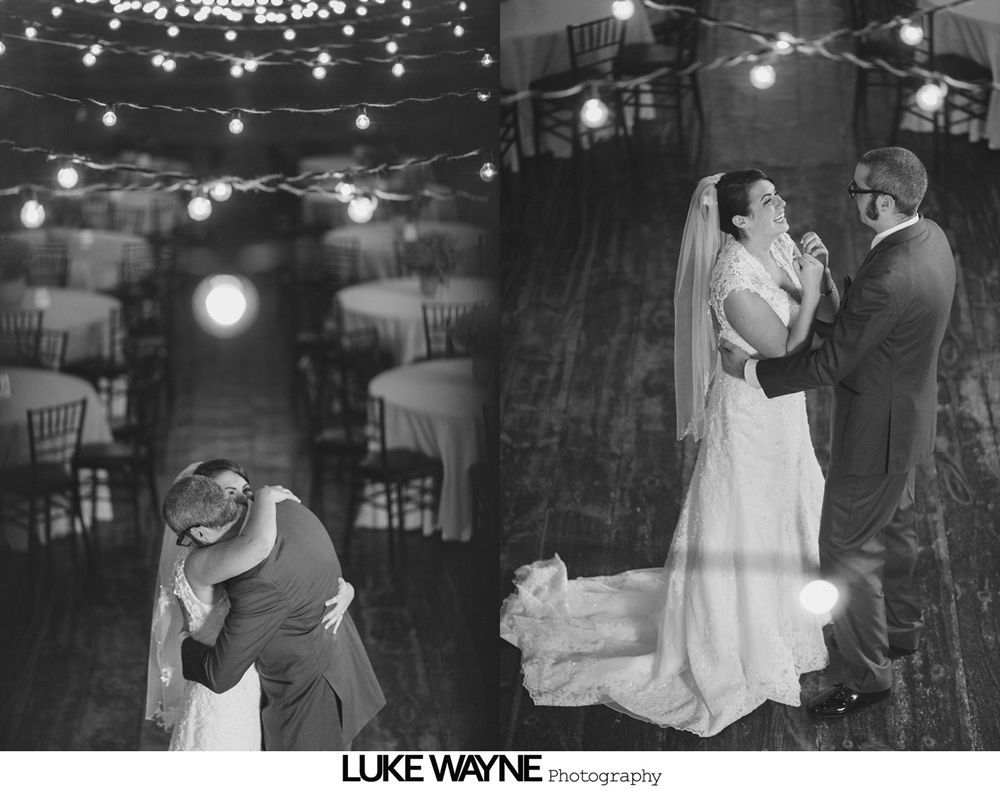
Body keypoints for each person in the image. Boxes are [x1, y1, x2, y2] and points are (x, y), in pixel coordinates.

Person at [500, 170, 838, 737]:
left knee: (787, 501)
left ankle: (786, 613)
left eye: (777, 195)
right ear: (737, 220)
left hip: (785, 412)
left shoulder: (778, 242)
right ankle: (736, 632)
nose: (781, 205)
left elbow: (817, 313)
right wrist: (810, 279)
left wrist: (819, 279)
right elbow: (784, 352)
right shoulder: (732, 279)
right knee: (744, 516)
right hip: (753, 412)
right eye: (767, 200)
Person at [719, 147, 955, 718]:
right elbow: (867, 322)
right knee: (896, 531)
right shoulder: (929, 239)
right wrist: (819, 288)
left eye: (857, 191)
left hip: (876, 430)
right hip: (909, 417)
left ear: (885, 201)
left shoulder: (891, 272)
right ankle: (900, 631)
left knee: (847, 550)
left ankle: (868, 677)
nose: (850, 199)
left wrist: (748, 370)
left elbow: (829, 365)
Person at [147, 459, 383, 749]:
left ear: (197, 531)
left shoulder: (253, 579)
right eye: (228, 492)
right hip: (328, 657)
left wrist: (180, 644)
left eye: (241, 490)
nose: (237, 497)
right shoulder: (286, 506)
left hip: (306, 691)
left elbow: (218, 675)